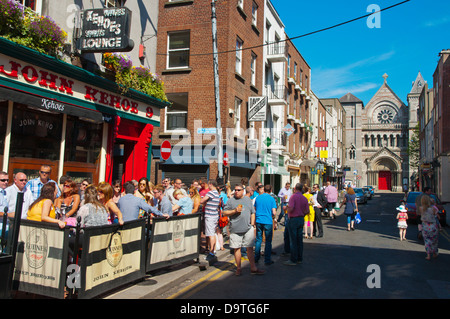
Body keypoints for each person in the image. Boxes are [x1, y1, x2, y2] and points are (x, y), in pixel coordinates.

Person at [222, 183, 264, 276]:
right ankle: (239, 268)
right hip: (235, 229)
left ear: (243, 191)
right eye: (235, 190)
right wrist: (234, 211)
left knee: (249, 248)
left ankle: (253, 267)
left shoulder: (247, 200)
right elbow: (224, 213)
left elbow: (253, 212)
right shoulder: (231, 201)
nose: (236, 192)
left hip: (247, 228)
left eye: (238, 190)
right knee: (237, 249)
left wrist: (253, 224)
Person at [283, 183, 309, 266]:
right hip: (301, 218)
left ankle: (293, 259)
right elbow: (307, 211)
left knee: (293, 240)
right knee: (299, 239)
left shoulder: (293, 197)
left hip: (293, 219)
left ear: (295, 188)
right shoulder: (304, 198)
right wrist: (302, 214)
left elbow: (291, 208)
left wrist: (286, 208)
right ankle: (299, 258)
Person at [254, 184, 277, 265]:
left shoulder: (258, 198)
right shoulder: (272, 199)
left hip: (259, 220)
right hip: (268, 221)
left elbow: (255, 209)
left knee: (258, 240)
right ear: (270, 190)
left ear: (264, 190)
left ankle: (256, 258)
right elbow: (274, 212)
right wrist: (273, 216)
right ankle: (267, 260)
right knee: (268, 241)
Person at [200, 180, 220, 260]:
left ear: (211, 184)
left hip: (209, 216)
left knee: (210, 234)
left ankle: (211, 252)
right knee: (213, 233)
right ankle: (213, 250)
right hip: (214, 215)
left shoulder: (210, 193)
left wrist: (203, 200)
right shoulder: (217, 193)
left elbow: (202, 201)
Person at [419, 195, 439, 260]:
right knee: (434, 241)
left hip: (425, 226)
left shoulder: (421, 208)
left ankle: (428, 255)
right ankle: (434, 253)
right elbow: (436, 214)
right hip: (433, 226)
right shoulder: (433, 208)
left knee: (427, 241)